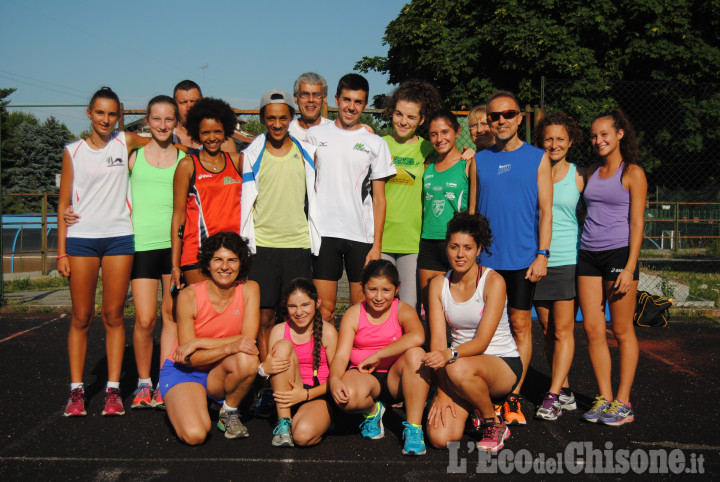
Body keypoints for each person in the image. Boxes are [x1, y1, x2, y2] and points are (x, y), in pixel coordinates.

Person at [57, 87, 151, 417]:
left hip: (119, 239)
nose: (106, 120)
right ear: (89, 114)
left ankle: (113, 391)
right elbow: (63, 202)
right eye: (100, 113)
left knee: (113, 315)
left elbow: (164, 139)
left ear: (119, 117)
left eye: (112, 114)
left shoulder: (125, 141)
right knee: (82, 316)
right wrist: (61, 252)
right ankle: (77, 391)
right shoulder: (73, 150)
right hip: (81, 240)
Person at [474, 90, 553, 425]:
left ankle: (513, 397)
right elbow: (473, 213)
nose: (501, 120)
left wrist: (542, 254)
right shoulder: (478, 160)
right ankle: (488, 395)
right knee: (487, 330)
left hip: (523, 260)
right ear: (488, 121)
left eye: (508, 114)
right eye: (495, 116)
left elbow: (546, 212)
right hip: (487, 262)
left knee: (520, 325)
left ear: (521, 117)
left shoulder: (538, 157)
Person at [241, 89, 319, 416]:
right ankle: (267, 383)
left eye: (282, 117)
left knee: (297, 317)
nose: (276, 123)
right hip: (264, 246)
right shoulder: (251, 153)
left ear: (291, 118)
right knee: (264, 318)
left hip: (298, 244)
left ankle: (299, 383)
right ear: (262, 119)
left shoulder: (308, 150)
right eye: (270, 118)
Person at [422, 212, 522, 452]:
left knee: (457, 367)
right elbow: (437, 342)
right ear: (446, 247)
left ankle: (492, 422)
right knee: (440, 438)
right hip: (457, 368)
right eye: (454, 246)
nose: (460, 254)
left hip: (500, 363)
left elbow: (482, 342)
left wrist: (449, 358)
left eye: (468, 247)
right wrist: (443, 391)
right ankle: (473, 407)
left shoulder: (493, 281)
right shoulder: (437, 284)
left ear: (478, 250)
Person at [308, 73, 396, 322]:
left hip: (361, 237)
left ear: (365, 105)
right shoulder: (315, 135)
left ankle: (358, 362)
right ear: (336, 99)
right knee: (324, 310)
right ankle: (325, 361)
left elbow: (380, 199)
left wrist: (376, 245)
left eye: (358, 102)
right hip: (324, 234)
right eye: (346, 100)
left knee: (361, 311)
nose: (351, 107)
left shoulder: (375, 142)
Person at [578, 109, 647, 426]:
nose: (598, 140)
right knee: (593, 329)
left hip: (619, 255)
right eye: (594, 135)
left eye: (604, 133)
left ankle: (623, 401)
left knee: (621, 330)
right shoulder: (591, 171)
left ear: (620, 134)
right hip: (588, 255)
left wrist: (630, 268)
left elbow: (637, 222)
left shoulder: (632, 172)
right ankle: (604, 398)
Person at [160, 232, 260, 444]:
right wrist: (227, 347)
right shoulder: (189, 296)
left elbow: (248, 340)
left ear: (241, 263)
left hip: (219, 371)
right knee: (195, 435)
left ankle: (228, 409)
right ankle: (187, 400)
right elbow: (190, 359)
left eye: (232, 260)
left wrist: (199, 342)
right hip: (185, 372)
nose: (225, 267)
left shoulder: (250, 289)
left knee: (248, 358)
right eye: (218, 260)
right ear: (207, 263)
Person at [329, 259, 430, 455]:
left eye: (386, 290)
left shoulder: (403, 309)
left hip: (396, 379)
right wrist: (333, 380)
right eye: (372, 289)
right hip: (363, 376)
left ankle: (414, 429)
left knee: (417, 354)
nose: (378, 296)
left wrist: (379, 354)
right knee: (345, 399)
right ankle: (373, 410)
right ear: (362, 288)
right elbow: (341, 356)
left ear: (397, 289)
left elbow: (418, 336)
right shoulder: (353, 314)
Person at [128, 96, 186, 410]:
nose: (162, 125)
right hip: (140, 248)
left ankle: (165, 383)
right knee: (145, 318)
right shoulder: (133, 157)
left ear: (176, 123)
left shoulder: (184, 158)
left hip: (174, 249)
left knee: (171, 316)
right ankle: (143, 383)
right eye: (157, 119)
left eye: (168, 120)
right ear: (147, 121)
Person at [531, 112, 585, 420]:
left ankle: (552, 396)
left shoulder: (580, 175)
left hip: (566, 259)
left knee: (563, 330)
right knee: (548, 330)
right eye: (549, 138)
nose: (554, 144)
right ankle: (563, 389)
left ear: (571, 142)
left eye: (560, 139)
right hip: (537, 259)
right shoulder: (532, 171)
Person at [381, 81, 442, 312]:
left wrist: (469, 153)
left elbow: (453, 158)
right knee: (383, 307)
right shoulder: (379, 144)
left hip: (413, 241)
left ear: (422, 120)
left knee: (409, 307)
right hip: (382, 240)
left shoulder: (429, 148)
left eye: (411, 117)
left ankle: (410, 349)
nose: (403, 121)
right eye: (398, 114)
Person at [171, 97, 243, 290]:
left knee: (232, 316)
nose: (212, 138)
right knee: (202, 315)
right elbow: (178, 215)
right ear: (197, 133)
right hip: (198, 254)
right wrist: (175, 265)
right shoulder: (187, 165)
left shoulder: (238, 162)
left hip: (233, 254)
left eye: (218, 131)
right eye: (206, 133)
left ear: (226, 131)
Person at [260, 278, 338, 447]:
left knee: (302, 436)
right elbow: (270, 375)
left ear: (317, 303)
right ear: (285, 306)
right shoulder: (279, 330)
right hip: (287, 395)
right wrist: (263, 369)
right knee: (282, 346)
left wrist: (306, 395)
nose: (299, 312)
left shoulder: (328, 332)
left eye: (305, 305)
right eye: (292, 306)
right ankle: (284, 423)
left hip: (317, 394)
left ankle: (323, 420)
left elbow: (338, 378)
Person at [418, 109, 477, 315]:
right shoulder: (428, 164)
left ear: (457, 131)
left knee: (456, 312)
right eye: (433, 134)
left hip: (455, 244)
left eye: (445, 132)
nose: (439, 138)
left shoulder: (468, 163)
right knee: (431, 312)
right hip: (428, 242)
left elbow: (474, 206)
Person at [172, 80, 237, 153]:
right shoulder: (167, 137)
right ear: (174, 105)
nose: (189, 107)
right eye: (183, 102)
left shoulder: (223, 142)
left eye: (193, 101)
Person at [288, 73, 332, 142]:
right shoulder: (286, 132)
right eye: (305, 94)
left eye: (317, 95)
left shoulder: (334, 131)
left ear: (324, 98)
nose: (311, 100)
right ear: (296, 98)